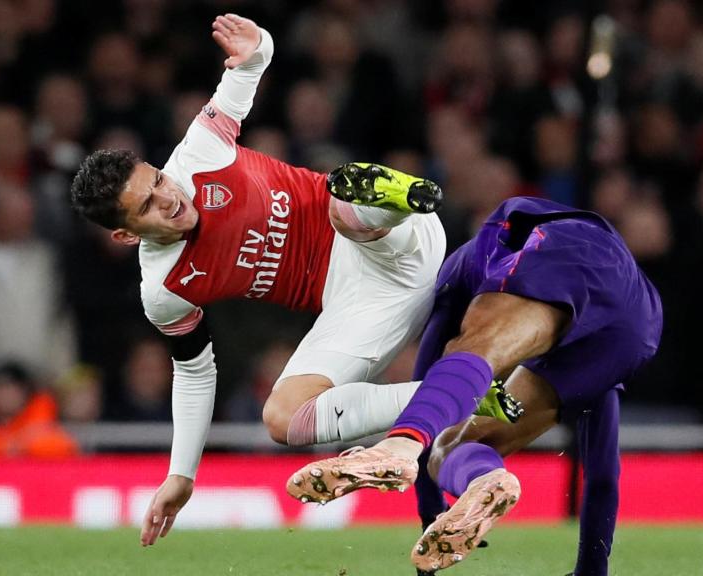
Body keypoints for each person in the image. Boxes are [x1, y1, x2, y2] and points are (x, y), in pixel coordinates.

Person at [68, 14, 446, 546]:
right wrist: (182, 475)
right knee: (283, 418)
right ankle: (459, 396)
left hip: (397, 241)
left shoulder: (200, 150)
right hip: (359, 304)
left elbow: (255, 62)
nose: (170, 198)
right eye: (148, 207)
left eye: (157, 179)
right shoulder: (164, 290)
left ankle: (392, 196)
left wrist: (257, 44)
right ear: (127, 238)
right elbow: (195, 375)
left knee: (342, 205)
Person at [287, 196, 662, 574]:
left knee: (465, 358)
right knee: (454, 446)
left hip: (573, 248)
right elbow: (602, 470)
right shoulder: (579, 333)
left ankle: (395, 448)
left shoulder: (451, 275)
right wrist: (592, 569)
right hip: (636, 330)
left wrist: (428, 508)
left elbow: (430, 376)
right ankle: (485, 477)